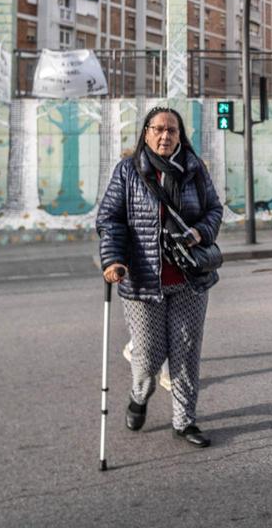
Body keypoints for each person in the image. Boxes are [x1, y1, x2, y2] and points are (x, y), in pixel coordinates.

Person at [97, 106, 223, 448]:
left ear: (180, 136)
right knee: (149, 355)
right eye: (159, 129)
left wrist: (200, 232)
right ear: (146, 133)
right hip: (141, 281)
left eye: (172, 130)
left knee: (185, 352)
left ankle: (184, 422)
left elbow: (214, 209)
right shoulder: (128, 171)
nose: (165, 136)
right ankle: (140, 394)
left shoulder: (194, 170)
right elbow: (110, 219)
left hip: (189, 279)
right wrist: (113, 259)